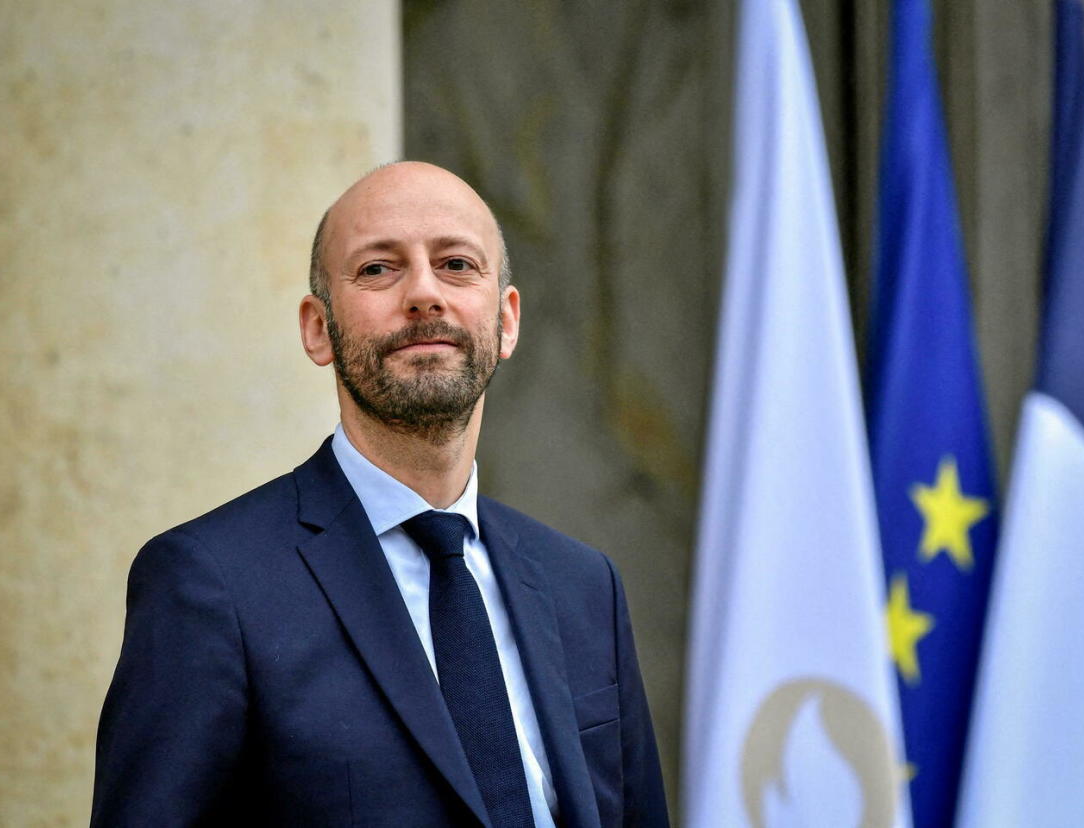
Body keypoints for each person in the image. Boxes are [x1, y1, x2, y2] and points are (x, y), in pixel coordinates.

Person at [91, 161, 668, 827]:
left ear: (507, 321)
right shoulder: (209, 584)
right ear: (318, 328)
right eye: (377, 269)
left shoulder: (583, 585)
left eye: (456, 264)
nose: (424, 293)